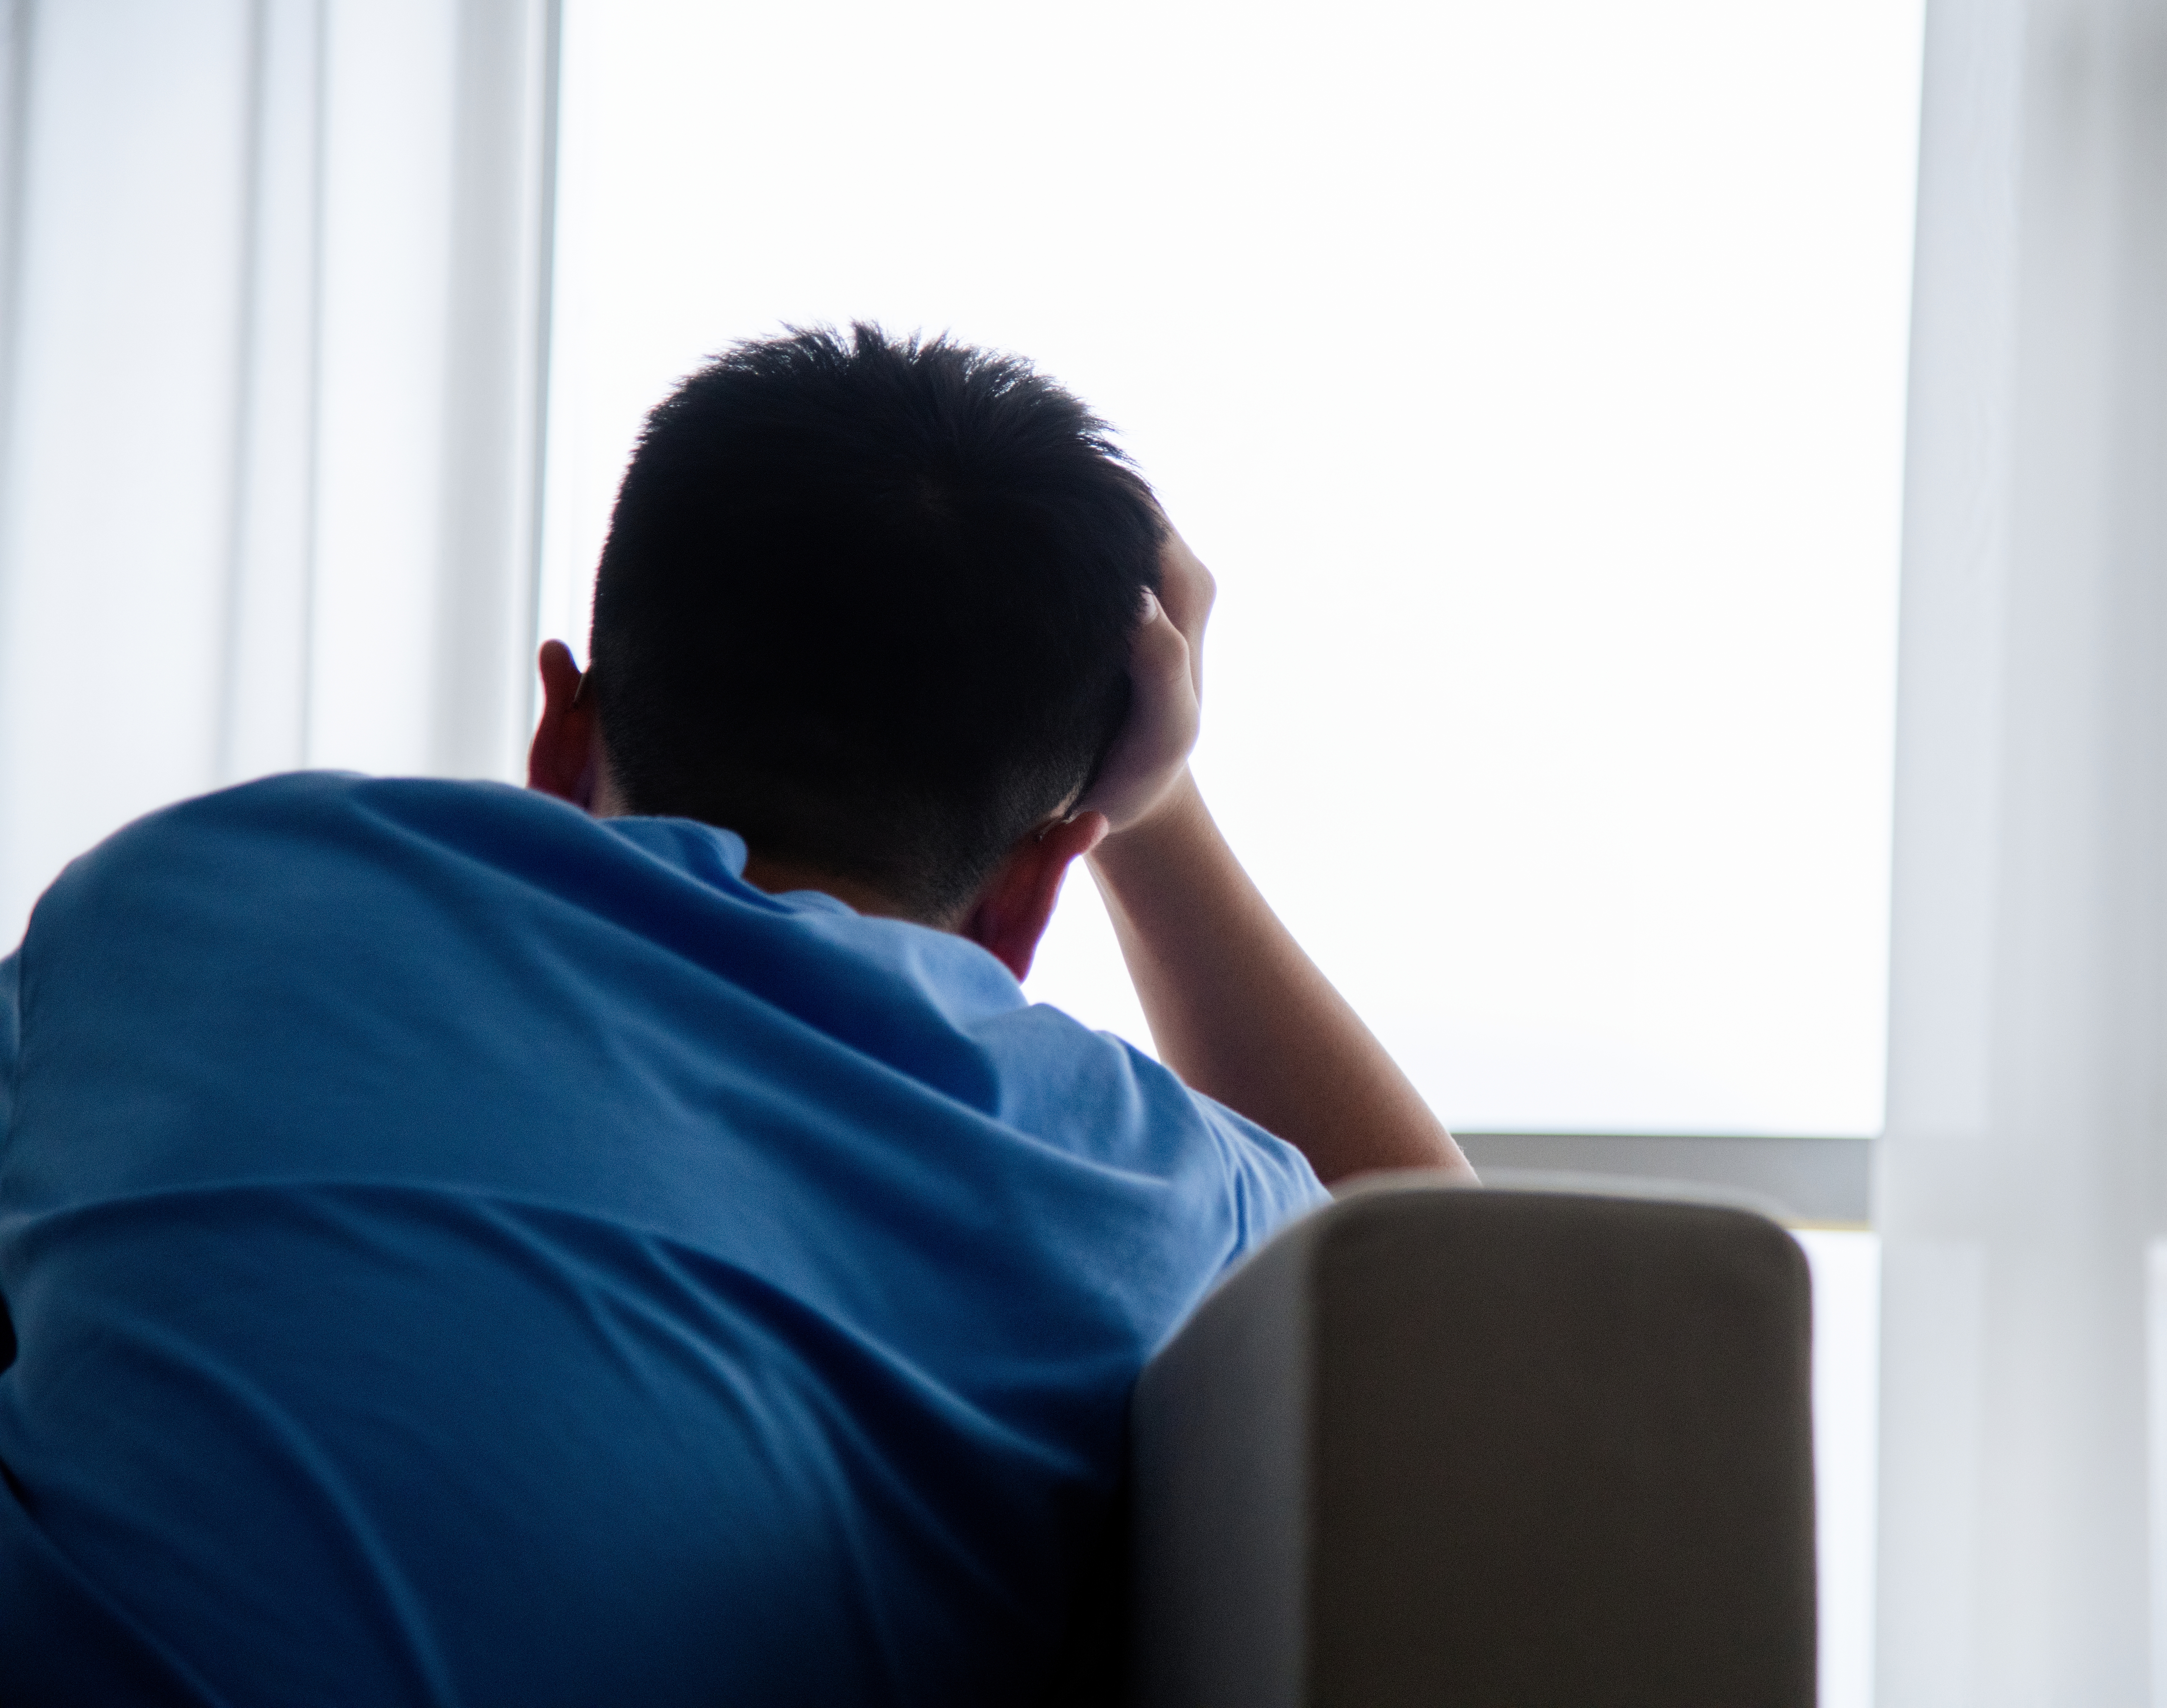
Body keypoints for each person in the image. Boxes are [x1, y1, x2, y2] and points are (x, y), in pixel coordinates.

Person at [0, 325, 1467, 1706]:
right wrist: (1154, 818)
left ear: (559, 735)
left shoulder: (186, 896)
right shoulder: (1139, 1179)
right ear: (1032, 894)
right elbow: (1479, 1311)